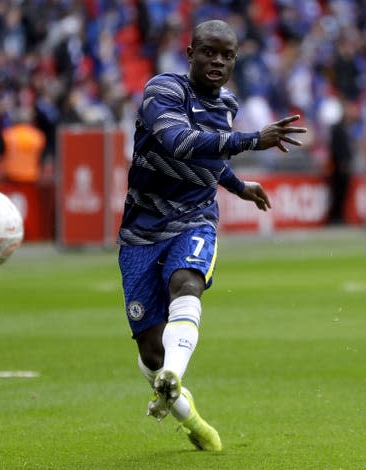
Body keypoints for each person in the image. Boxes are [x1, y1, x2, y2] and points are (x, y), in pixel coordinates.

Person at [117, 19, 307, 451]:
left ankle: (173, 377)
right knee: (150, 349)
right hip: (142, 229)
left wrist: (239, 187)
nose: (217, 60)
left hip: (195, 217)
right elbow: (178, 142)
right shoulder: (162, 91)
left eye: (226, 54)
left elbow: (210, 156)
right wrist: (252, 141)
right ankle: (188, 413)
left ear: (235, 59)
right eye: (208, 52)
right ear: (190, 54)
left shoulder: (227, 104)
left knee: (188, 281)